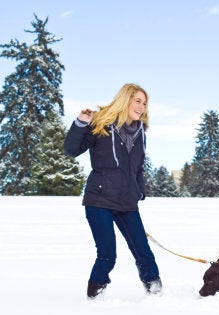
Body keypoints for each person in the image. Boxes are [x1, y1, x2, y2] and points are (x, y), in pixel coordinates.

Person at [63, 83, 161, 299]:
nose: (141, 106)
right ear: (125, 100)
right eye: (137, 100)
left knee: (143, 252)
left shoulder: (140, 133)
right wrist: (80, 123)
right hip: (99, 200)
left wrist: (139, 190)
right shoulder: (101, 124)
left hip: (127, 202)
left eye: (144, 103)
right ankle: (95, 297)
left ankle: (155, 293)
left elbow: (138, 167)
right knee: (107, 254)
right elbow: (70, 150)